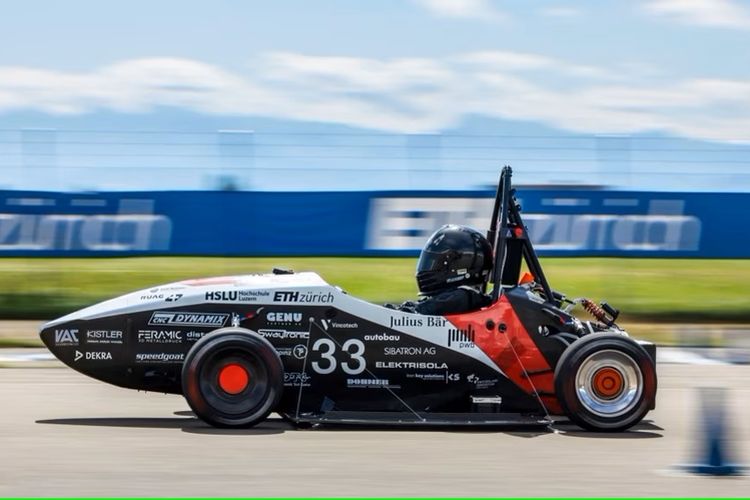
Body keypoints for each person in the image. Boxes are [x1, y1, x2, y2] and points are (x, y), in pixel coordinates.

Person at [387, 224, 494, 316]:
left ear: (460, 268)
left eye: (436, 263)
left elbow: (419, 312)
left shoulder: (461, 297)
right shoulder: (462, 296)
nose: (428, 268)